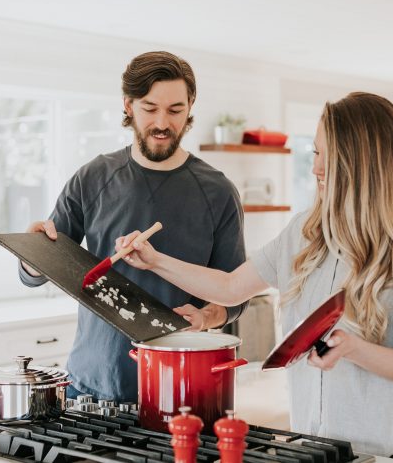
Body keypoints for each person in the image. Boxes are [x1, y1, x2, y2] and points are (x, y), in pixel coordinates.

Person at [117, 92, 393, 462]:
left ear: (363, 162)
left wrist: (355, 349)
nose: (316, 168)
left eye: (327, 155)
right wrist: (155, 260)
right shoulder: (305, 233)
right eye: (315, 153)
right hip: (321, 445)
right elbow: (230, 287)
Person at [18, 51, 248, 403]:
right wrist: (31, 256)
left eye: (175, 110)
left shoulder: (218, 192)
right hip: (89, 385)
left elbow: (235, 295)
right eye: (149, 108)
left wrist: (205, 316)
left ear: (190, 107)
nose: (162, 122)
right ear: (128, 105)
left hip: (179, 387)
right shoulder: (92, 177)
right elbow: (41, 267)